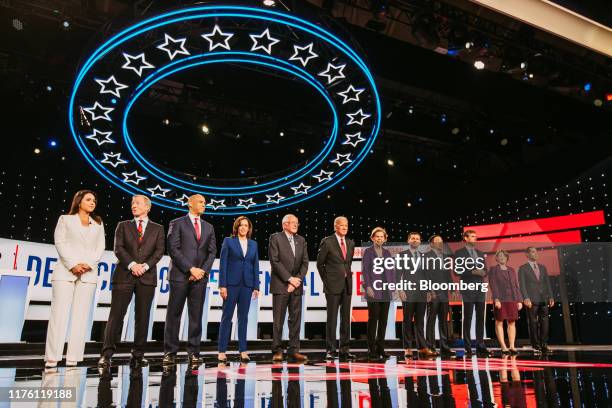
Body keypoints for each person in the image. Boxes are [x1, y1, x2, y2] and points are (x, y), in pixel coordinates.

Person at [98, 195, 165, 368]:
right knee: (116, 316)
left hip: (147, 277)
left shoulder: (158, 229)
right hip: (124, 275)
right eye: (132, 203)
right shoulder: (123, 225)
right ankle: (107, 354)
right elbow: (118, 248)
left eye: (137, 203)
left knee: (142, 318)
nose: (133, 206)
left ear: (147, 207)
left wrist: (145, 266)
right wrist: (132, 264)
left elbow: (159, 251)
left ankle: (138, 355)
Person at [44, 190, 105, 368]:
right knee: (59, 315)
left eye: (94, 200)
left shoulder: (98, 223)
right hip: (65, 272)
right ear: (79, 202)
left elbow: (100, 247)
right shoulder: (65, 219)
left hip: (88, 274)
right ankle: (52, 357)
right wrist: (73, 264)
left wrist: (87, 264)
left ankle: (73, 357)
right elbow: (60, 242)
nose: (92, 202)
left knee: (81, 317)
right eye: (88, 199)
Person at [163, 194, 216, 366]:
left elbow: (212, 252)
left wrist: (201, 271)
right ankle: (170, 353)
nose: (204, 205)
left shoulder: (209, 227)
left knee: (196, 316)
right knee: (174, 314)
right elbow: (173, 248)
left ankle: (194, 352)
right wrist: (190, 268)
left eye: (205, 203)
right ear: (190, 204)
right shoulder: (177, 223)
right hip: (180, 276)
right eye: (201, 202)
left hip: (199, 278)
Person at [217, 216, 260, 363]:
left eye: (246, 226)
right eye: (241, 225)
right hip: (231, 285)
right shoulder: (228, 241)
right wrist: (222, 285)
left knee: (243, 318)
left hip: (247, 286)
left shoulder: (253, 244)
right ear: (237, 227)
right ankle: (222, 351)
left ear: (249, 228)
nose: (243, 228)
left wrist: (256, 286)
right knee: (226, 317)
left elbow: (255, 265)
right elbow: (223, 264)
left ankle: (243, 350)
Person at [269, 214, 309, 362]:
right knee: (278, 320)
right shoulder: (275, 238)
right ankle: (277, 350)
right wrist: (289, 279)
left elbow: (305, 262)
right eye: (292, 223)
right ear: (284, 224)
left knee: (295, 319)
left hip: (296, 286)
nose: (295, 225)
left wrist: (297, 280)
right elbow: (275, 261)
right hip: (281, 285)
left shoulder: (301, 240)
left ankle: (294, 350)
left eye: (297, 223)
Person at [316, 216, 355, 361]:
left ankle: (345, 350)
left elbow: (348, 264)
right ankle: (331, 350)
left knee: (346, 320)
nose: (345, 227)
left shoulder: (350, 243)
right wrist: (327, 281)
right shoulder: (327, 242)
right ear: (335, 226)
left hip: (347, 285)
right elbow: (320, 264)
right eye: (342, 225)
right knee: (332, 319)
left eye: (346, 225)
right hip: (332, 286)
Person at [398, 232, 434, 358]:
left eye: (417, 239)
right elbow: (398, 274)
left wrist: (429, 290)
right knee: (407, 320)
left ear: (420, 242)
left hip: (422, 292)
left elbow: (428, 275)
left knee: (420, 321)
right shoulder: (402, 255)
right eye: (412, 238)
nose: (415, 240)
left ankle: (422, 347)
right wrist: (400, 289)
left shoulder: (424, 257)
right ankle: (407, 347)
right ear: (408, 241)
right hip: (408, 292)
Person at [361, 227, 394, 361]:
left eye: (382, 236)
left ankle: (381, 348)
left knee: (383, 321)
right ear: (372, 238)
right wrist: (368, 286)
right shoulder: (368, 252)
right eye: (377, 236)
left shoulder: (387, 252)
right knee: (373, 319)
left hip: (386, 290)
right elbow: (365, 271)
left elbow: (391, 272)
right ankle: (372, 349)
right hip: (373, 289)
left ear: (385, 239)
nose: (379, 238)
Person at [454, 229, 489, 356]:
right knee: (467, 317)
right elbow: (456, 271)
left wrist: (484, 272)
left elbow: (486, 269)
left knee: (480, 317)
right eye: (472, 236)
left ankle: (480, 345)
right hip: (468, 288)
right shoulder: (459, 253)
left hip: (480, 288)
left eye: (475, 236)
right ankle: (467, 347)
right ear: (466, 238)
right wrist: (472, 272)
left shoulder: (480, 253)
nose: (475, 238)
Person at [518, 246, 554, 354]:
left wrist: (551, 296)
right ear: (527, 255)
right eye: (533, 252)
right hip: (531, 299)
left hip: (543, 298)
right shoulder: (523, 268)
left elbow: (547, 283)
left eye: (536, 252)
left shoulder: (542, 267)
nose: (535, 254)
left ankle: (544, 344)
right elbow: (522, 285)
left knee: (545, 321)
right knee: (533, 322)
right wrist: (525, 298)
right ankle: (535, 344)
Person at [424, 235, 454, 357]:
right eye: (437, 242)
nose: (439, 244)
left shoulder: (445, 257)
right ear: (431, 244)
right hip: (433, 292)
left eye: (441, 242)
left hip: (444, 292)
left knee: (443, 320)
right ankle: (430, 347)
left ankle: (445, 347)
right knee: (431, 320)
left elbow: (448, 275)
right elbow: (425, 275)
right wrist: (429, 290)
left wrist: (451, 288)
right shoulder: (426, 257)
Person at [488, 249, 523, 355]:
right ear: (497, 258)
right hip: (500, 299)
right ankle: (503, 346)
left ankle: (512, 346)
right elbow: (493, 285)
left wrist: (519, 300)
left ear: (507, 258)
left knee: (512, 322)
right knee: (499, 321)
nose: (502, 257)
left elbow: (516, 286)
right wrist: (496, 299)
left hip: (512, 298)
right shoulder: (493, 269)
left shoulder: (511, 270)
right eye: (500, 256)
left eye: (504, 256)